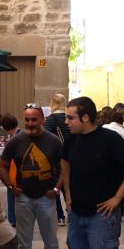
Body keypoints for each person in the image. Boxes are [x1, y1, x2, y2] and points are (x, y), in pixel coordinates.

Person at [62, 96, 124, 249]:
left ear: (86, 118)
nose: (66, 122)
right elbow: (65, 165)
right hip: (76, 213)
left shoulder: (109, 139)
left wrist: (117, 198)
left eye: (70, 118)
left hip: (102, 216)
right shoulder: (71, 140)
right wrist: (68, 195)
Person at [0, 104, 64, 249]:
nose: (30, 123)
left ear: (42, 120)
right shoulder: (16, 141)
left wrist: (57, 188)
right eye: (27, 119)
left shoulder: (53, 141)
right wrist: (11, 186)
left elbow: (65, 167)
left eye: (34, 119)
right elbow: (1, 166)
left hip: (46, 198)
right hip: (23, 198)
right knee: (23, 241)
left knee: (50, 240)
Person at [44, 94, 71, 226]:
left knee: (56, 187)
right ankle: (70, 212)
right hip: (71, 156)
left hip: (56, 158)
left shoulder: (50, 119)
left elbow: (46, 138)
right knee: (68, 186)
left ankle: (60, 216)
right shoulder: (69, 118)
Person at [0, 114, 21, 227]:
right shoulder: (19, 135)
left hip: (15, 172)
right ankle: (14, 219)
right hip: (14, 171)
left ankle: (14, 219)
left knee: (13, 195)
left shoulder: (15, 138)